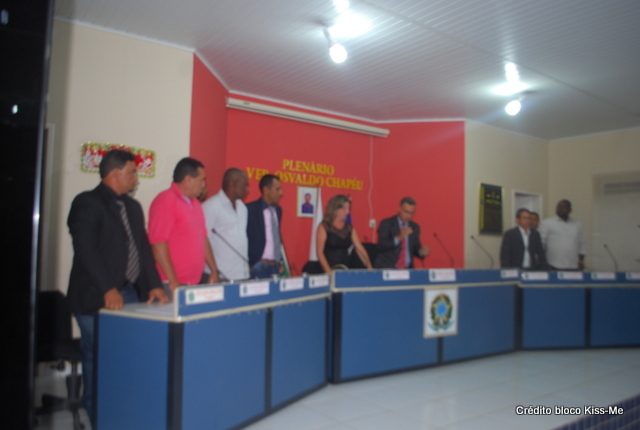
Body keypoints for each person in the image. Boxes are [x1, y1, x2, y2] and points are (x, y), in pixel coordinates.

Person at [67, 149, 168, 423]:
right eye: (132, 172)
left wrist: (154, 286)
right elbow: (86, 249)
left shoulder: (133, 207)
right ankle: (97, 413)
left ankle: (122, 408)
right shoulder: (86, 202)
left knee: (126, 356)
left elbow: (142, 251)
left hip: (129, 293)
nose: (136, 178)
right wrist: (106, 289)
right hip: (94, 296)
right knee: (100, 357)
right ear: (114, 173)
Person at [148, 157, 219, 290]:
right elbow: (158, 245)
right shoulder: (165, 201)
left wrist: (214, 270)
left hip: (194, 283)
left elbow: (203, 239)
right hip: (171, 284)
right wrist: (173, 280)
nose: (204, 185)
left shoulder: (196, 204)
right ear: (188, 180)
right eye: (202, 180)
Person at [202, 168, 251, 281]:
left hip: (242, 274)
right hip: (220, 275)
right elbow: (203, 241)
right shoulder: (211, 206)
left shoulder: (243, 208)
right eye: (244, 185)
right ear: (232, 184)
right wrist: (214, 271)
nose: (247, 190)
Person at [316, 194, 372, 273]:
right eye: (345, 209)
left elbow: (359, 248)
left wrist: (369, 266)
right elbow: (320, 253)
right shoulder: (324, 227)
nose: (348, 212)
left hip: (345, 268)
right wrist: (329, 272)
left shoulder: (349, 228)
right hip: (328, 268)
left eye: (349, 209)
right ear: (336, 209)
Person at [247, 174, 284, 278]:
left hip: (275, 267)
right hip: (258, 266)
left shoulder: (278, 210)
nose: (281, 193)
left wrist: (280, 261)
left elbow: (275, 236)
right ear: (266, 190)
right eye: (277, 189)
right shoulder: (250, 210)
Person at [375, 197, 429, 268]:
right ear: (399, 209)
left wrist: (421, 252)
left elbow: (415, 249)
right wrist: (398, 238)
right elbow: (381, 246)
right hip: (388, 267)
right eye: (406, 212)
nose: (409, 216)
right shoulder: (386, 224)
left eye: (412, 213)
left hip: (408, 269)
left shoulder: (414, 227)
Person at [539, 199, 586, 270]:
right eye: (559, 207)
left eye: (563, 207)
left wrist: (581, 260)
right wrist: (542, 262)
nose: (560, 209)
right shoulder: (547, 223)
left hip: (573, 265)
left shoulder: (577, 224)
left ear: (570, 210)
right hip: (553, 265)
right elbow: (541, 244)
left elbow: (582, 243)